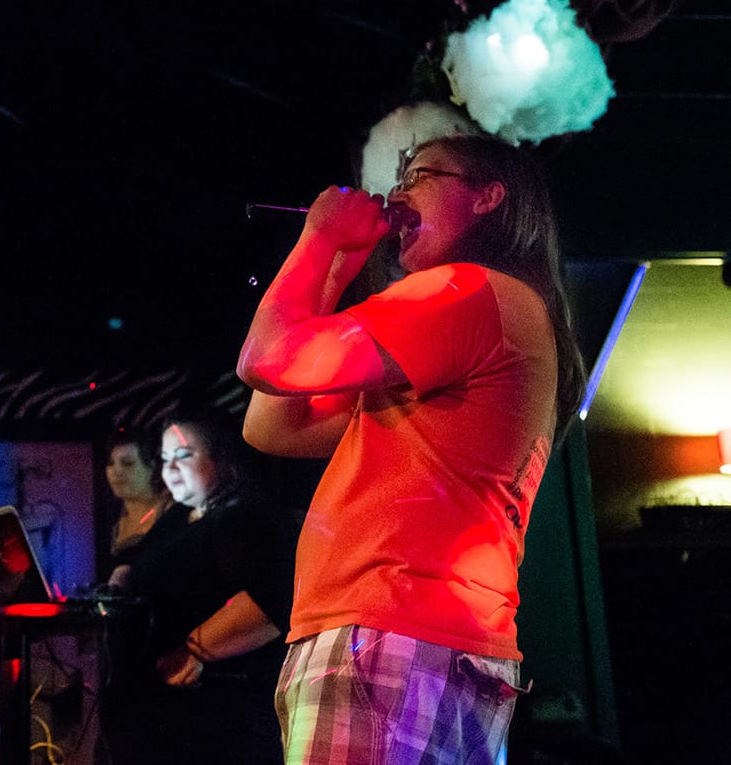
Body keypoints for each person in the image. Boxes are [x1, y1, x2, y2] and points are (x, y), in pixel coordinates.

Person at [236, 133, 585, 764]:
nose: (396, 194)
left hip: (388, 636)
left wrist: (319, 239)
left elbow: (265, 360)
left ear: (487, 197)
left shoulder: (465, 290)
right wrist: (339, 267)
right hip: (433, 645)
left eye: (419, 175)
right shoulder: (490, 312)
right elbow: (273, 425)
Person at [101, 412, 297, 765]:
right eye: (165, 459)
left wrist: (193, 652)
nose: (170, 468)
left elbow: (269, 602)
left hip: (215, 716)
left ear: (221, 459)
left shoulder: (246, 519)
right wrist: (124, 574)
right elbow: (148, 563)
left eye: (184, 455)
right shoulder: (179, 515)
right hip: (161, 712)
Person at [101, 426, 172, 584]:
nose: (116, 471)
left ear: (152, 467)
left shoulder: (170, 512)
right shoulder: (112, 519)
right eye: (111, 463)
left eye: (127, 463)